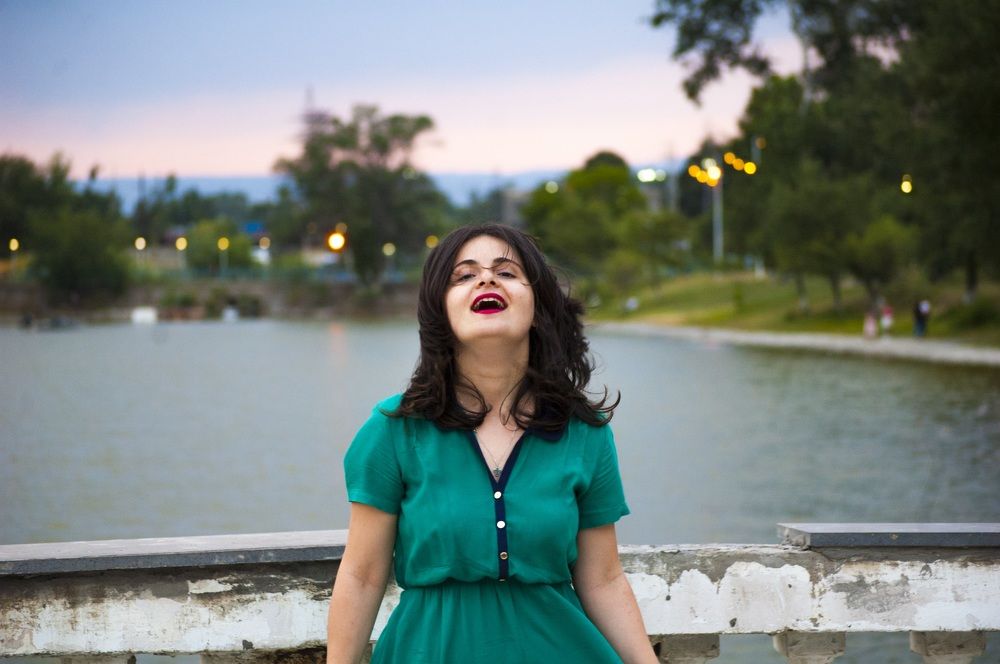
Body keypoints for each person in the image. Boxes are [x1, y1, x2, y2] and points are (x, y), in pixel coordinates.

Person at [326, 224, 657, 663]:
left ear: (537, 305)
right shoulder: (392, 431)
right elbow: (362, 576)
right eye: (463, 276)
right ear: (439, 311)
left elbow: (603, 580)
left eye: (506, 272)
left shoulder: (585, 433)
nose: (485, 279)